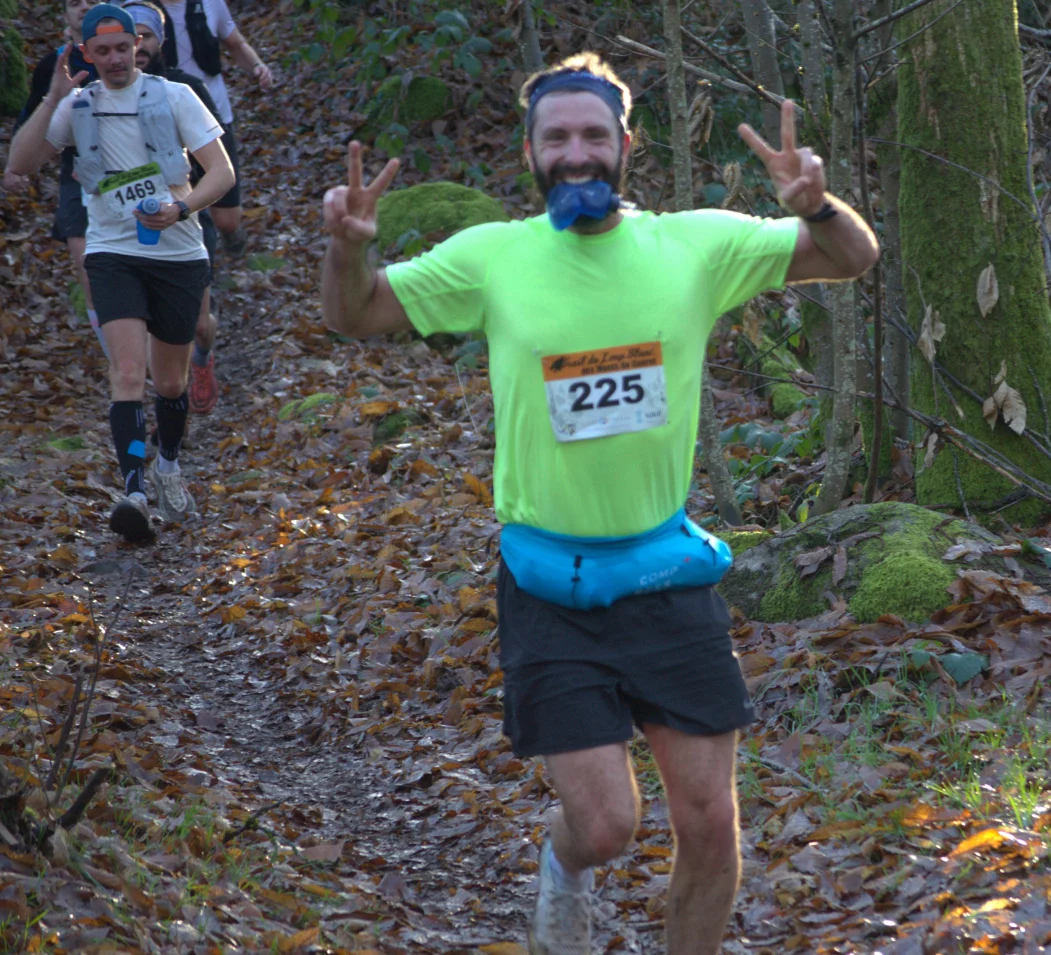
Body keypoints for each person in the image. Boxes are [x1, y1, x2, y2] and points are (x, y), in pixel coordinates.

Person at [320, 52, 877, 955]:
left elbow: (854, 257)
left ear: (625, 143)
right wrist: (349, 247)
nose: (575, 153)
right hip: (551, 585)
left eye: (592, 135)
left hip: (666, 573)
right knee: (608, 824)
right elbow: (357, 313)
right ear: (530, 153)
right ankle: (565, 860)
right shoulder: (493, 257)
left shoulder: (695, 246)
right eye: (556, 139)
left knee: (710, 823)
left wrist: (817, 205)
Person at [5, 4, 234, 542]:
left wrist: (181, 208)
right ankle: (134, 490)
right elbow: (20, 162)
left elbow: (221, 172)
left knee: (170, 381)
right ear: (86, 53)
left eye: (122, 48)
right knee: (128, 374)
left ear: (138, 46)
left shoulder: (174, 96)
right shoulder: (78, 104)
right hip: (112, 252)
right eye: (102, 51)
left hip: (178, 253)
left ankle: (168, 465)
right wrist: (53, 97)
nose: (114, 60)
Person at [125, 0, 223, 413]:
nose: (139, 45)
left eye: (147, 36)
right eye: (132, 37)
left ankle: (202, 358)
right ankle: (163, 398)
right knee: (150, 323)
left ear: (161, 41)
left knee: (199, 325)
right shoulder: (100, 95)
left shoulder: (185, 89)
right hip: (130, 224)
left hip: (188, 216)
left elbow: (221, 160)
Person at [4, 0, 103, 351]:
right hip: (79, 171)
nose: (83, 8)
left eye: (91, 1)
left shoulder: (134, 55)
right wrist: (14, 168)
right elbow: (30, 118)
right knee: (88, 266)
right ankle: (119, 358)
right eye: (75, 3)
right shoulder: (54, 64)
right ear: (64, 14)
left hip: (140, 173)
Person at [160, 0, 273, 256]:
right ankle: (197, 258)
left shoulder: (210, 3)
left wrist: (257, 66)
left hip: (213, 117)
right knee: (180, 198)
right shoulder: (139, 9)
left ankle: (231, 237)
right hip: (165, 123)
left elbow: (235, 43)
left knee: (227, 218)